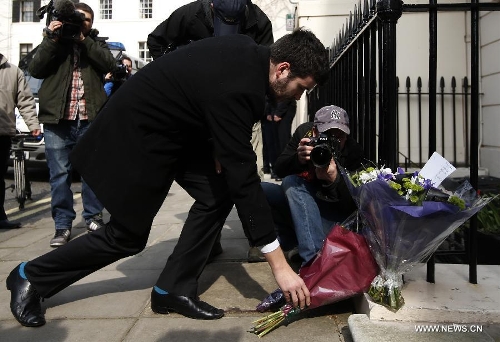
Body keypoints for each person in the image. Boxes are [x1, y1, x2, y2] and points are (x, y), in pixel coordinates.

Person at [6, 28, 329, 328]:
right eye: (301, 88)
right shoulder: (240, 85)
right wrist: (280, 267)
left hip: (176, 138)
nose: (299, 98)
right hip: (133, 139)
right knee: (126, 237)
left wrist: (220, 141)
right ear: (283, 69)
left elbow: (203, 96)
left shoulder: (246, 52)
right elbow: (244, 178)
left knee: (217, 192)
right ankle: (30, 275)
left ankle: (172, 290)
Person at [148, 0, 274, 262]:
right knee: (211, 180)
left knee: (248, 173)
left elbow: (267, 71)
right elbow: (156, 41)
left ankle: (257, 240)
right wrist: (179, 75)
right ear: (212, 8)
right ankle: (210, 240)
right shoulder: (190, 14)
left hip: (241, 110)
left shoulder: (260, 22)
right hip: (198, 111)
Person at [27, 3, 116, 247]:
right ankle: (63, 225)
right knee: (59, 175)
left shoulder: (96, 43)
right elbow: (35, 69)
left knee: (92, 172)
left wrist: (84, 40)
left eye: (86, 19)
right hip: (58, 120)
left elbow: (110, 64)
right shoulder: (54, 41)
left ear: (92, 22)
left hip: (90, 117)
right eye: (77, 18)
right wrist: (51, 39)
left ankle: (93, 217)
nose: (81, 22)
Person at [261, 105, 365, 265]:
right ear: (315, 132)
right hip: (304, 209)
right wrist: (298, 159)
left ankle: (313, 261)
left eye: (340, 136)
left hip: (333, 220)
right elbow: (278, 169)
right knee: (263, 189)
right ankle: (290, 243)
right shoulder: (304, 134)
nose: (333, 141)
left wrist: (334, 180)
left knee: (292, 182)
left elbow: (354, 207)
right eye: (328, 135)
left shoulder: (353, 151)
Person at [0, 53, 41, 229]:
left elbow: (24, 100)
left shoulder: (13, 72)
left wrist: (32, 124)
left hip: (1, 134)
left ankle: (0, 218)